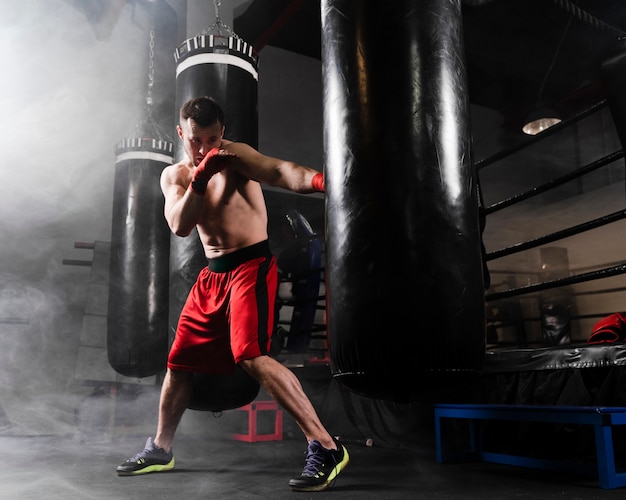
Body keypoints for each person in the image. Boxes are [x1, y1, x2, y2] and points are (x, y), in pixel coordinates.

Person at [116, 96, 349, 492]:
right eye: (195, 140)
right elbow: (180, 225)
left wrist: (322, 182)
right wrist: (201, 177)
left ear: (222, 133)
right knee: (178, 363)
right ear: (181, 134)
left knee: (252, 356)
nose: (204, 147)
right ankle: (160, 448)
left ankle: (325, 445)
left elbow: (280, 170)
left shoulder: (235, 156)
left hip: (250, 267)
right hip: (211, 277)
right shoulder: (174, 175)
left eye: (211, 138)